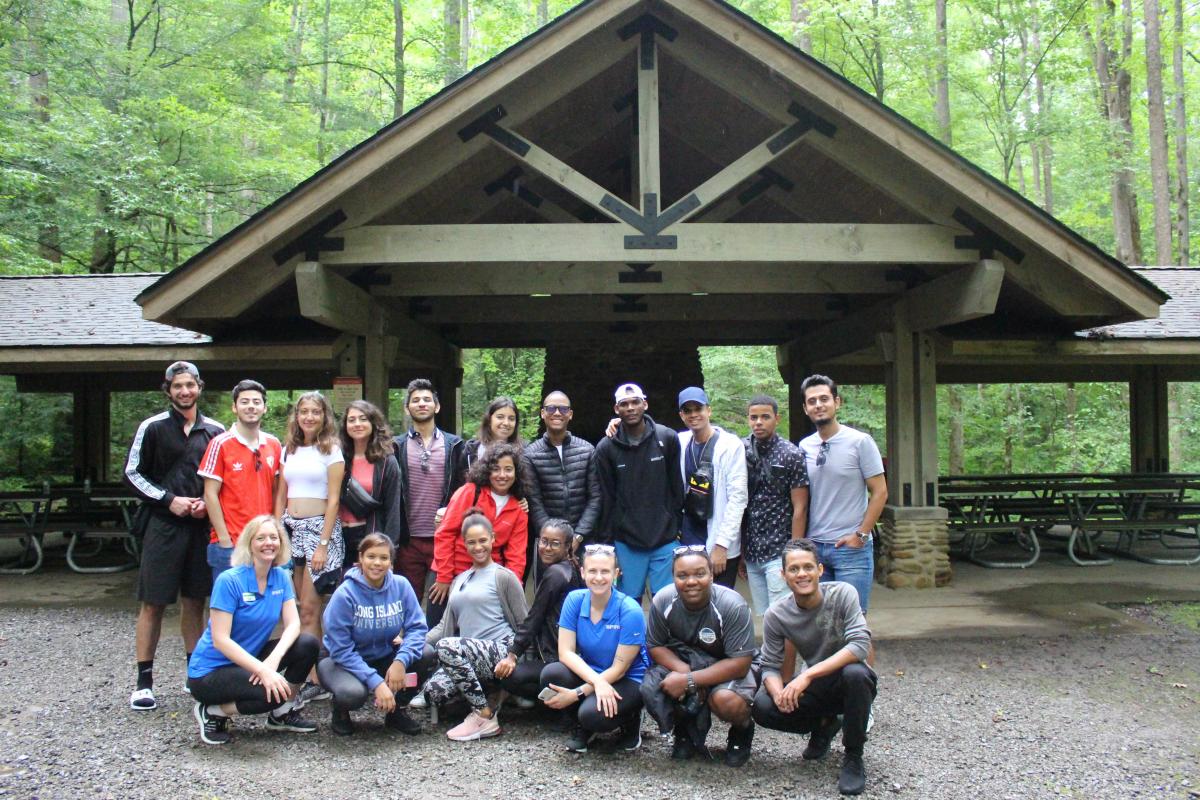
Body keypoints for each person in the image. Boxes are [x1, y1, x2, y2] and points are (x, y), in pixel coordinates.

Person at [125, 361, 225, 711]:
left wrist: (205, 506)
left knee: (195, 601)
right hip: (162, 525)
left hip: (201, 526)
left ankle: (193, 674)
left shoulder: (215, 430)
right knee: (153, 601)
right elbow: (132, 473)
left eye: (190, 385)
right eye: (177, 386)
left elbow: (222, 478)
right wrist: (170, 501)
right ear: (167, 390)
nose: (184, 391)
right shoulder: (151, 427)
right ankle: (143, 681)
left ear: (200, 387)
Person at [752, 540, 876, 795]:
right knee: (763, 706)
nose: (802, 574)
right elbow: (770, 667)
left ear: (819, 570)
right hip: (818, 686)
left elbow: (860, 645)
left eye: (808, 567)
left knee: (856, 674)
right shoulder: (777, 614)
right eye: (794, 569)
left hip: (850, 683)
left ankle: (853, 756)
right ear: (783, 575)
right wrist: (778, 694)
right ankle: (824, 725)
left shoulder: (843, 593)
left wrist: (806, 674)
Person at [186, 515, 319, 745]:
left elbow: (294, 624)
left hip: (248, 662)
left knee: (307, 644)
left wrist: (273, 661)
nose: (269, 543)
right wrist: (265, 671)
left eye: (274, 537)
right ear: (249, 544)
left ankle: (282, 714)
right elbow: (220, 640)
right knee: (271, 693)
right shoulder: (229, 580)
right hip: (210, 672)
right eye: (261, 538)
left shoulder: (280, 576)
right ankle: (214, 711)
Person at [643, 545, 757, 767]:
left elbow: (741, 663)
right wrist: (686, 674)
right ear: (673, 577)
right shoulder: (663, 601)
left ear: (712, 574)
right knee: (655, 685)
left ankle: (742, 730)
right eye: (682, 575)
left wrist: (690, 680)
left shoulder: (731, 605)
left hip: (726, 662)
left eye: (699, 573)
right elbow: (654, 645)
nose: (691, 581)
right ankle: (684, 730)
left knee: (726, 701)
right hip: (685, 661)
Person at [419, 512, 529, 742]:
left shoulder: (504, 577)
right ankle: (489, 692)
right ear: (464, 544)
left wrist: (515, 657)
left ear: (492, 539)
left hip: (500, 651)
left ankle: (484, 714)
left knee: (448, 647)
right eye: (471, 542)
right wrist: (415, 642)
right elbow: (443, 626)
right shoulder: (460, 580)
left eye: (482, 540)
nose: (478, 547)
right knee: (433, 692)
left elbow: (524, 624)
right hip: (467, 655)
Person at [540, 544, 649, 754]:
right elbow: (566, 652)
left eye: (605, 571)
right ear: (582, 572)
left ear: (616, 574)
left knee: (591, 714)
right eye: (592, 571)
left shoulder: (630, 611)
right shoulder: (574, 600)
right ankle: (583, 728)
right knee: (552, 674)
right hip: (595, 672)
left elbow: (619, 669)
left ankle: (631, 718)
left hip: (628, 679)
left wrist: (576, 694)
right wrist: (597, 683)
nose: (598, 578)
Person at [318, 533, 430, 736]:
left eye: (384, 558)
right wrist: (376, 682)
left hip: (383, 654)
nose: (377, 563)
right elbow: (341, 649)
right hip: (341, 661)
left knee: (427, 654)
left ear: (391, 562)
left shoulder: (401, 585)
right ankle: (341, 710)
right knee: (353, 694)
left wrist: (401, 662)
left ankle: (397, 711)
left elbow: (417, 628)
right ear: (360, 558)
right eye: (371, 556)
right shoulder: (345, 595)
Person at [274, 391, 344, 705]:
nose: (309, 417)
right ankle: (306, 672)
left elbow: (334, 500)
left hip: (319, 530)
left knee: (310, 607)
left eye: (316, 411)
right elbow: (281, 494)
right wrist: (275, 532)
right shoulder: (288, 449)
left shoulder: (331, 450)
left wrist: (323, 544)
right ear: (297, 416)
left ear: (324, 415)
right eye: (304, 411)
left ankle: (316, 675)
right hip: (291, 530)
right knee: (295, 607)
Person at [797, 375, 886, 614]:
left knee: (854, 622)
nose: (818, 405)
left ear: (837, 402)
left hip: (851, 549)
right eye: (812, 401)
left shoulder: (860, 442)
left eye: (824, 399)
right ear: (805, 409)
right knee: (822, 623)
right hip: (815, 548)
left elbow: (880, 492)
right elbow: (800, 501)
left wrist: (861, 534)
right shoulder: (804, 447)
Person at [591, 383, 683, 601]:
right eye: (624, 404)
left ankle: (664, 638)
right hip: (627, 541)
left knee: (667, 600)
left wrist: (677, 528)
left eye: (635, 402)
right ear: (616, 409)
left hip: (665, 537)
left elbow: (676, 488)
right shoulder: (606, 448)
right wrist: (607, 542)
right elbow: (606, 496)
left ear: (645, 404)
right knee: (627, 602)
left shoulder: (667, 438)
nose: (630, 408)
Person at [428, 443, 528, 626]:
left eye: (508, 469)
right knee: (437, 630)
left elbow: (516, 556)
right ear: (486, 470)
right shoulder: (470, 492)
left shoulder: (518, 508)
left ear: (516, 472)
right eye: (496, 469)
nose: (502, 475)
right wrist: (444, 577)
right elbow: (445, 533)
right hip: (450, 572)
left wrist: (510, 589)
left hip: (486, 580)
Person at [199, 379, 282, 583]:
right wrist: (224, 539)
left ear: (264, 408)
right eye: (244, 402)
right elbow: (210, 494)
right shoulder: (220, 444)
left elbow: (277, 491)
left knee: (263, 605)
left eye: (256, 402)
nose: (251, 406)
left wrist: (276, 533)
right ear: (234, 407)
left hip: (265, 543)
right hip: (231, 542)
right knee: (228, 608)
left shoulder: (273, 444)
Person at [494, 519, 584, 704]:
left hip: (558, 657)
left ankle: (551, 706)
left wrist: (512, 655)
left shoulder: (556, 574)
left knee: (508, 678)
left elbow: (535, 617)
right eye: (544, 541)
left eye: (555, 543)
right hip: (570, 656)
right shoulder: (571, 567)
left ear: (568, 546)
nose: (547, 548)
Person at [391, 378, 465, 603]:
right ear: (407, 408)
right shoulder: (395, 446)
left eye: (426, 399)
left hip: (443, 539)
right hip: (408, 540)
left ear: (437, 406)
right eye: (415, 400)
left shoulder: (455, 446)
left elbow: (465, 489)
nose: (421, 404)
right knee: (406, 603)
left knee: (441, 604)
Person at [741, 394, 809, 616]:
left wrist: (794, 551)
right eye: (753, 417)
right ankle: (771, 653)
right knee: (763, 615)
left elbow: (800, 507)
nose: (758, 422)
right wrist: (741, 550)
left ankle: (784, 653)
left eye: (765, 417)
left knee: (783, 614)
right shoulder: (741, 451)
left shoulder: (791, 454)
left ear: (776, 419)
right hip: (752, 549)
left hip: (779, 547)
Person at [676, 386, 747, 590]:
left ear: (709, 410)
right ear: (681, 415)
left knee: (720, 601)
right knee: (691, 599)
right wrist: (616, 424)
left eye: (698, 408)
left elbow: (738, 498)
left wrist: (721, 545)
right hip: (689, 538)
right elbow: (649, 435)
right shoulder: (681, 442)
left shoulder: (730, 446)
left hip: (718, 539)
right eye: (687, 410)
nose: (693, 414)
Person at [523, 391, 600, 579]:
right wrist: (555, 539)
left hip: (583, 540)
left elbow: (595, 497)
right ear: (542, 413)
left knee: (587, 593)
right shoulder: (530, 455)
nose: (557, 413)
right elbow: (535, 502)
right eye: (551, 408)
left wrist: (578, 535)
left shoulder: (587, 450)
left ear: (570, 414)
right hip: (549, 544)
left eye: (563, 409)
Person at [338, 400, 401, 572]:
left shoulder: (386, 460)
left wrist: (390, 550)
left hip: (370, 533)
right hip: (339, 537)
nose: (357, 424)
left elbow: (393, 508)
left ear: (373, 423)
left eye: (363, 419)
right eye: (351, 420)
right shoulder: (339, 457)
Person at [455, 396, 525, 480]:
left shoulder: (524, 452)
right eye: (500, 417)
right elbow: (460, 484)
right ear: (489, 420)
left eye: (511, 419)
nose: (506, 423)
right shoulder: (471, 451)